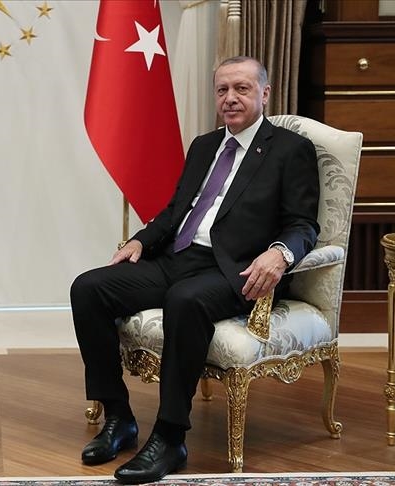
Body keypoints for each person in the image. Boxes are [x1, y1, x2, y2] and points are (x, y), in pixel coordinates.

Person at [71, 56, 319, 484]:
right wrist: (141, 241)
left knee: (184, 300)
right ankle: (119, 417)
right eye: (222, 90)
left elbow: (304, 224)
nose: (230, 98)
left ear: (264, 93)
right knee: (88, 288)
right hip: (178, 257)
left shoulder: (289, 149)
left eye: (241, 88)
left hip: (236, 269)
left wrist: (280, 254)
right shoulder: (205, 146)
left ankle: (170, 437)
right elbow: (175, 212)